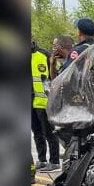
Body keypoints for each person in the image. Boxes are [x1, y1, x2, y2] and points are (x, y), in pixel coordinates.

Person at [31, 38, 60, 171]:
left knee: (49, 132)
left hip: (43, 101)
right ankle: (41, 159)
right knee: (36, 132)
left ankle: (54, 161)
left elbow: (56, 76)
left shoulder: (44, 54)